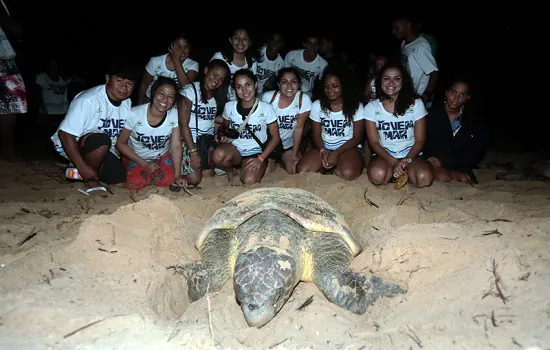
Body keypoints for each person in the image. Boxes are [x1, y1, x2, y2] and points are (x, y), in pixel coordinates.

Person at [50, 64, 137, 187]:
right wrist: (82, 167)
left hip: (103, 149)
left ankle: (84, 170)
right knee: (100, 139)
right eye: (119, 81)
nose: (124, 87)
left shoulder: (126, 103)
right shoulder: (88, 100)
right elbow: (65, 134)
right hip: (70, 146)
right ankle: (86, 176)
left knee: (120, 182)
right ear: (107, 79)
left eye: (130, 84)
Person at [364, 62, 433, 187]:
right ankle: (395, 173)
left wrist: (406, 161)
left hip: (411, 154)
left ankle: (405, 173)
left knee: (424, 178)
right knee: (378, 176)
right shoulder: (371, 107)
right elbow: (374, 142)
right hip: (385, 154)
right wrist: (394, 162)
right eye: (386, 78)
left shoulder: (416, 104)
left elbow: (420, 140)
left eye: (397, 78)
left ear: (403, 82)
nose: (391, 83)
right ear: (379, 82)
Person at [296, 64, 364, 181]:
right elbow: (316, 135)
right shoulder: (317, 105)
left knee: (347, 173)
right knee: (302, 170)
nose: (330, 90)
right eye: (326, 86)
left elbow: (357, 137)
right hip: (325, 146)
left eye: (335, 86)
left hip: (347, 147)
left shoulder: (355, 105)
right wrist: (323, 151)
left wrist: (336, 153)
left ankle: (340, 164)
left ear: (343, 86)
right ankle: (326, 166)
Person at [116, 77, 186, 190]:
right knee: (136, 184)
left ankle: (155, 174)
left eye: (170, 97)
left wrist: (178, 175)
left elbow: (176, 146)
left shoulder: (174, 115)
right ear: (153, 94)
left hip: (161, 155)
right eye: (161, 94)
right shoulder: (135, 114)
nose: (165, 100)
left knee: (169, 181)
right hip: (137, 156)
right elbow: (121, 143)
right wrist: (144, 164)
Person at [212, 69, 280, 184]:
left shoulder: (266, 108)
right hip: (236, 150)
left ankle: (257, 166)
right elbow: (226, 127)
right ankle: (230, 170)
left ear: (256, 85)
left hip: (256, 152)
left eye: (248, 85)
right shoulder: (229, 107)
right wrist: (223, 135)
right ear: (235, 90)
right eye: (239, 87)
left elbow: (276, 137)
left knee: (249, 180)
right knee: (218, 156)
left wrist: (260, 159)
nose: (244, 90)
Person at [423, 77, 489, 184]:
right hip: (432, 162)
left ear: (468, 97)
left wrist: (445, 160)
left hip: (458, 163)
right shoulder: (430, 115)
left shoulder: (473, 120)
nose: (456, 98)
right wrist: (434, 159)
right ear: (446, 92)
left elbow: (476, 151)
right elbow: (423, 143)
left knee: (465, 179)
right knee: (442, 176)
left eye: (462, 95)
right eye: (453, 92)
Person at [178, 59, 230, 186]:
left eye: (221, 79)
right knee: (194, 179)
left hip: (205, 142)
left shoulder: (217, 96)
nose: (217, 80)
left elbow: (211, 117)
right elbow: (183, 124)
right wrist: (193, 152)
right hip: (189, 141)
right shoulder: (190, 90)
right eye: (215, 75)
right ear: (206, 70)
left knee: (208, 176)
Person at [261, 67, 312, 174]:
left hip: (288, 143)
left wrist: (294, 155)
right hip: (269, 142)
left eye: (293, 81)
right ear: (279, 85)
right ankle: (273, 161)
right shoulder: (269, 98)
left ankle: (285, 159)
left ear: (299, 85)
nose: (289, 85)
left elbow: (298, 129)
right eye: (284, 82)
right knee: (266, 173)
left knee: (297, 170)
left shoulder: (304, 100)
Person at [138, 33, 199, 105]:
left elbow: (186, 87)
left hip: (174, 103)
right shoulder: (155, 61)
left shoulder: (193, 65)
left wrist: (176, 60)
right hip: (151, 100)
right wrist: (139, 104)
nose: (182, 50)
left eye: (186, 47)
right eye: (179, 47)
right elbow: (144, 84)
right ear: (171, 47)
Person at [392, 14, 439, 106]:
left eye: (396, 28)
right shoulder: (404, 43)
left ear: (408, 26)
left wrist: (427, 94)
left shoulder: (420, 46)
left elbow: (434, 72)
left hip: (418, 98)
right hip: (406, 94)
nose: (393, 32)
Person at [0, 14, 27, 162]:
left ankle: (8, 150)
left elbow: (17, 30)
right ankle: (7, 150)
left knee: (11, 108)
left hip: (7, 62)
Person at [210, 26, 258, 101]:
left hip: (240, 102)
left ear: (249, 42)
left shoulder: (252, 62)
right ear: (230, 40)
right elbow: (208, 81)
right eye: (236, 38)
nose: (240, 41)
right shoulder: (220, 57)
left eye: (244, 39)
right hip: (217, 102)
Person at [284, 33, 328, 98]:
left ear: (319, 46)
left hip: (306, 95)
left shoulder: (323, 64)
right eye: (310, 43)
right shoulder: (291, 55)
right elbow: (283, 75)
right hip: (289, 90)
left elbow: (321, 84)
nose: (312, 47)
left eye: (315, 44)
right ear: (304, 44)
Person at [255, 31, 285, 96]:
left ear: (282, 44)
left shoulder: (280, 63)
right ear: (268, 40)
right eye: (273, 40)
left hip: (261, 92)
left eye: (279, 42)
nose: (275, 44)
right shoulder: (258, 51)